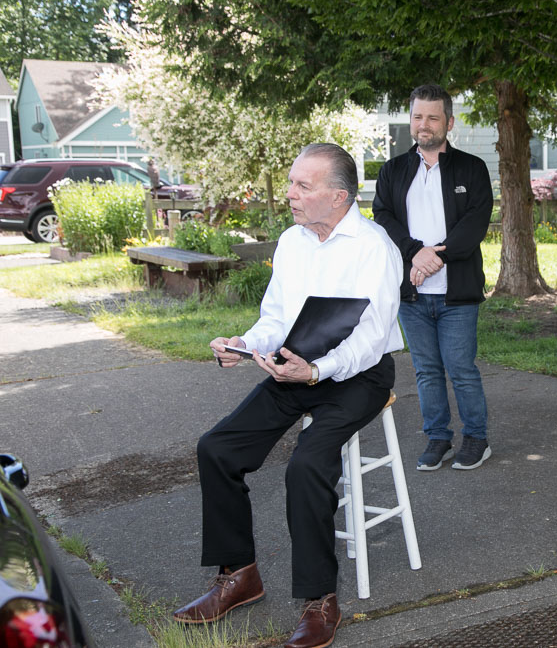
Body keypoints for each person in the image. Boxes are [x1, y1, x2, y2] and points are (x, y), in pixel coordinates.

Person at [172, 143, 404, 648]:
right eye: (293, 182)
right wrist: (245, 344)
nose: (292, 195)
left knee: (307, 466)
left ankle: (320, 599)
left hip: (356, 375)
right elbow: (276, 317)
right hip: (293, 365)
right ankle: (240, 575)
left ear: (339, 196)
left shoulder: (375, 248)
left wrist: (318, 370)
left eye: (304, 186)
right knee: (218, 448)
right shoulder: (292, 241)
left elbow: (369, 338)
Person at [373, 84, 494, 471]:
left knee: (461, 369)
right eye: (417, 117)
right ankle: (438, 438)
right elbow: (383, 218)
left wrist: (432, 258)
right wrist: (415, 254)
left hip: (456, 293)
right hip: (412, 295)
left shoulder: (471, 169)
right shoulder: (393, 170)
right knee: (426, 371)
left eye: (433, 117)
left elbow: (474, 223)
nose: (424, 125)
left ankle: (476, 438)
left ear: (449, 122)